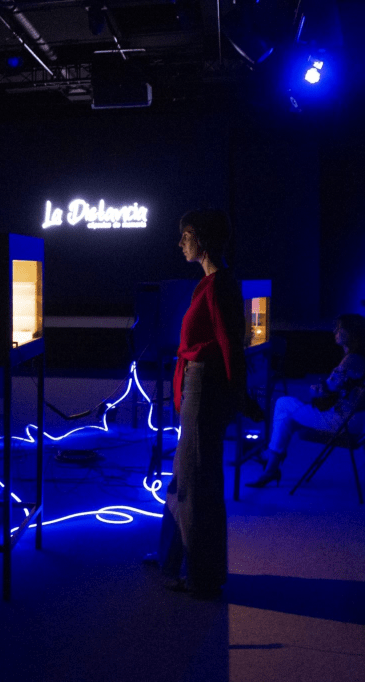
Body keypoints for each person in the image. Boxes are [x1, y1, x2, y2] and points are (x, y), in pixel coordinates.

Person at [150, 209, 248, 600]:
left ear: (202, 238)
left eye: (185, 235)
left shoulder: (219, 285)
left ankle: (202, 577)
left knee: (197, 483)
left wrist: (237, 395)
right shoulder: (210, 283)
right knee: (185, 478)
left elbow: (230, 344)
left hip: (205, 389)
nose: (180, 243)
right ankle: (172, 559)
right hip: (199, 387)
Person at [247, 314, 365, 487]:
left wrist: (315, 389)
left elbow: (324, 391)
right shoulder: (358, 358)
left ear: (352, 333)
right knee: (286, 417)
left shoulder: (352, 360)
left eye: (340, 328)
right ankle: (271, 466)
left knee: (282, 404)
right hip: (353, 421)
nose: (335, 331)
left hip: (342, 421)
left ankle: (270, 461)